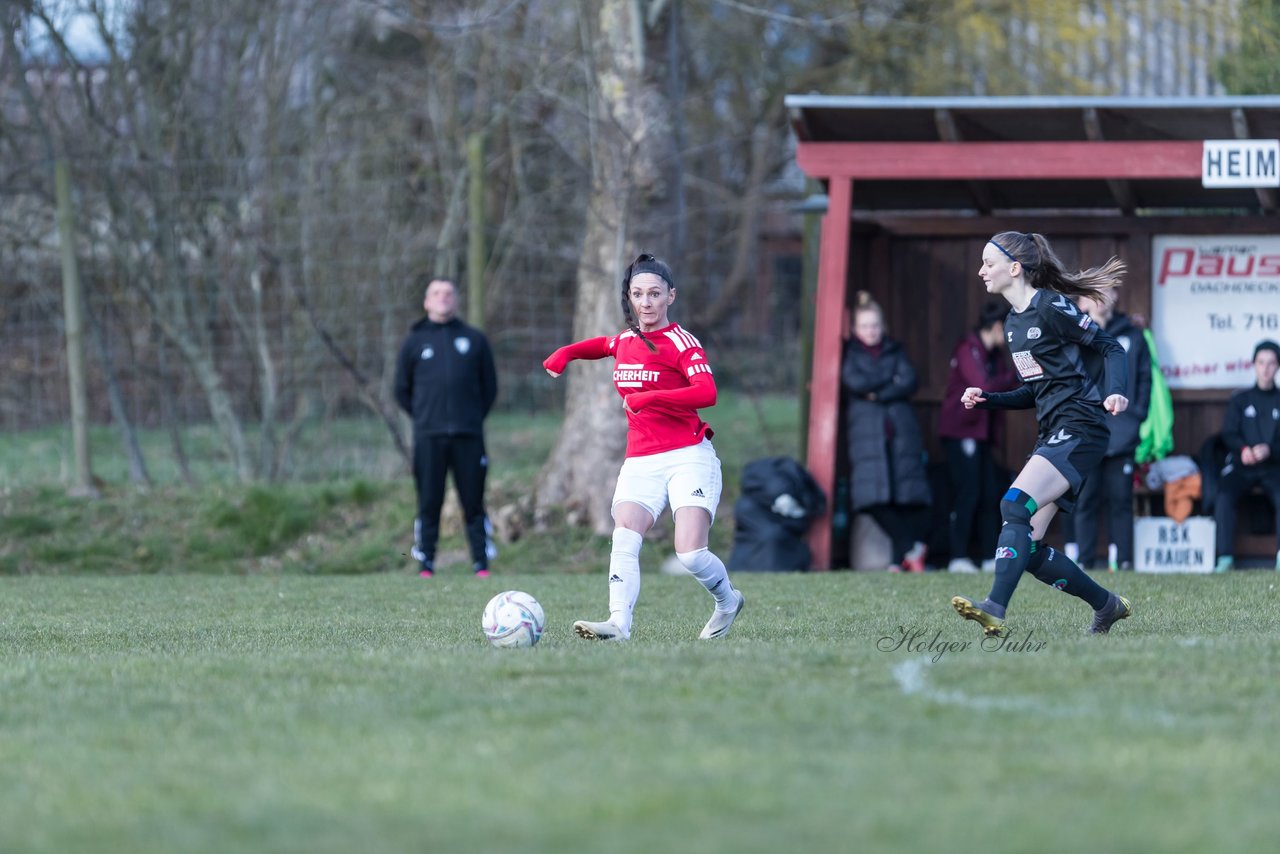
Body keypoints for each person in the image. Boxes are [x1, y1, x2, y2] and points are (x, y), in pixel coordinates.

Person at [542, 253, 744, 641]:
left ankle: (727, 600)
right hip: (641, 459)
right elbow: (602, 344)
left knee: (690, 553)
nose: (646, 302)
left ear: (671, 296)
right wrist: (565, 354)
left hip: (689, 455)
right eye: (638, 294)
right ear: (630, 298)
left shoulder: (681, 341)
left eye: (654, 294)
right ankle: (619, 624)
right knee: (625, 531)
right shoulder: (627, 340)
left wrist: (650, 398)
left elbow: (708, 392)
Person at [951, 231, 1133, 637]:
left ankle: (995, 608)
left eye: (988, 263)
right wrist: (989, 400)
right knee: (1027, 547)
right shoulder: (1014, 324)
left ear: (1015, 268)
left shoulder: (1051, 306)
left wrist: (1116, 390)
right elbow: (1035, 391)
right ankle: (1107, 606)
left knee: (1013, 504)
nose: (982, 271)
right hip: (1055, 430)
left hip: (1082, 426)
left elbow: (1111, 348)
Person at [394, 276, 498, 578]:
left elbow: (489, 388)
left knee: (473, 501)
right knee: (429, 501)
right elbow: (401, 389)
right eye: (437, 293)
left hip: (468, 435)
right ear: (427, 302)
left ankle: (481, 563)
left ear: (456, 300)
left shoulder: (474, 339)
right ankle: (426, 562)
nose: (443, 298)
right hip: (429, 436)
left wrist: (471, 418)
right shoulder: (414, 340)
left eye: (449, 293)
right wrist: (426, 417)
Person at [841, 291, 932, 572]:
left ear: (883, 326)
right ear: (856, 329)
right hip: (867, 438)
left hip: (900, 436)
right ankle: (910, 547)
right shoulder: (850, 354)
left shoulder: (895, 349)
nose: (871, 331)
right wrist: (889, 380)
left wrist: (876, 391)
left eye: (875, 325)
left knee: (900, 498)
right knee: (871, 500)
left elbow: (909, 381)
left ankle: (896, 561)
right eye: (865, 326)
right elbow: (855, 381)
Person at [1067, 295, 1152, 571]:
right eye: (1094, 294)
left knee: (1121, 501)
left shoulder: (1133, 335)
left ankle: (1124, 561)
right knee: (1086, 499)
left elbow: (1144, 379)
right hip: (1089, 431)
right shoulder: (1078, 332)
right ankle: (1085, 562)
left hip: (1123, 432)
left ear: (1116, 296)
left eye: (1107, 292)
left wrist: (1136, 415)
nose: (1102, 299)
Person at [938, 300, 1019, 574]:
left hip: (982, 435)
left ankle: (988, 556)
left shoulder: (994, 356)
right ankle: (957, 557)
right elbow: (981, 387)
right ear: (997, 327)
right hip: (961, 433)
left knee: (989, 494)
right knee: (967, 493)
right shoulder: (967, 349)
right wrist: (1012, 378)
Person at [1212, 339, 1280, 573]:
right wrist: (1243, 450)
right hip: (1243, 466)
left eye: (1271, 363)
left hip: (1274, 467)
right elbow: (1228, 434)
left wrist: (1270, 450)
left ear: (1278, 367)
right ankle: (1225, 558)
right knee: (1224, 494)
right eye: (1261, 362)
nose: (1265, 368)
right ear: (1254, 365)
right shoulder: (1240, 399)